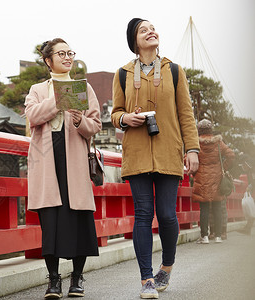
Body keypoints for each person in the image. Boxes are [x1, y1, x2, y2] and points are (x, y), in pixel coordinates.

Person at [111, 18, 199, 299]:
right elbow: (115, 113)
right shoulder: (122, 74)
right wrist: (126, 118)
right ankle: (146, 279)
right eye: (143, 30)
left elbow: (186, 112)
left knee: (167, 215)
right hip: (136, 153)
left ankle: (167, 266)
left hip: (168, 151)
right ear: (134, 41)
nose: (151, 32)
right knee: (143, 215)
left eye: (153, 28)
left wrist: (192, 149)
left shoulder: (174, 71)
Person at [25, 38, 101, 299]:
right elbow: (32, 116)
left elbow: (95, 125)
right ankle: (54, 280)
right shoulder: (37, 89)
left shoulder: (84, 88)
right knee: (51, 218)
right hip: (47, 160)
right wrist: (59, 100)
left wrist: (81, 121)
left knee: (78, 216)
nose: (68, 57)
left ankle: (77, 278)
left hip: (74, 159)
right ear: (48, 60)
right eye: (61, 53)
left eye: (70, 53)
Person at [192, 119, 235, 244]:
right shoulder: (218, 143)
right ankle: (218, 236)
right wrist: (223, 167)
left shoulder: (196, 143)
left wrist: (195, 171)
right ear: (211, 130)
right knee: (217, 206)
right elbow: (231, 155)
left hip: (201, 178)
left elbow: (187, 159)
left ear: (199, 130)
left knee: (204, 208)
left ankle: (204, 236)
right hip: (217, 177)